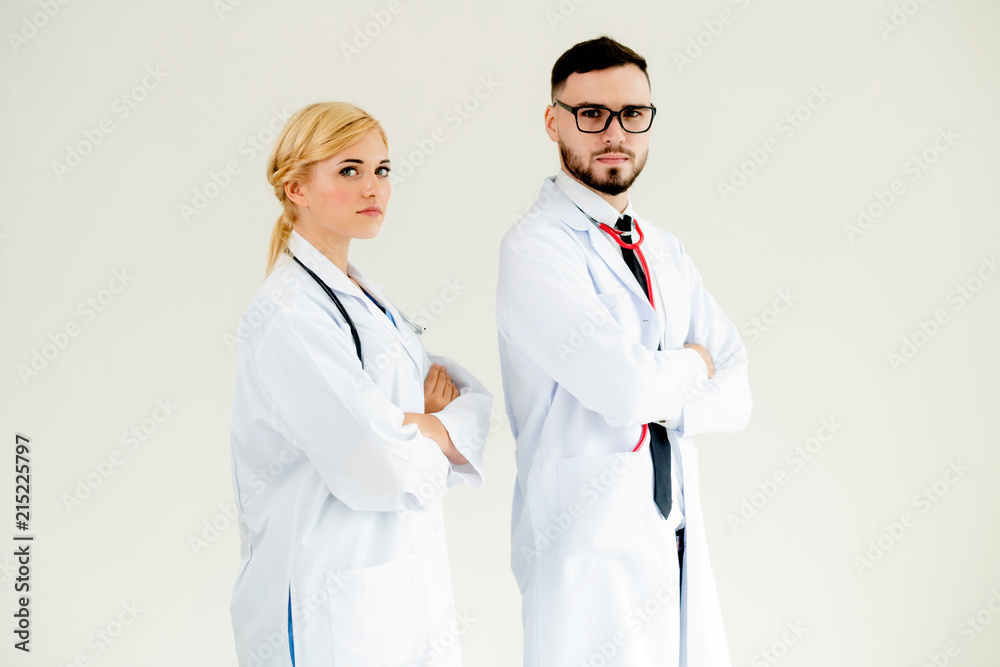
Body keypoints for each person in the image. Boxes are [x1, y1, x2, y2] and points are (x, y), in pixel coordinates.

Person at [495, 37, 752, 667]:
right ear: (553, 120)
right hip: (587, 544)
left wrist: (670, 396)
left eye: (632, 114)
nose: (614, 133)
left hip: (676, 532)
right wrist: (694, 365)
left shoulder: (664, 250)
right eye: (591, 114)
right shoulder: (536, 250)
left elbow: (739, 394)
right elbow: (624, 390)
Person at [229, 102, 491, 667]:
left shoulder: (365, 299)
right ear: (296, 187)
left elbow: (470, 401)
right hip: (327, 600)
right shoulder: (290, 314)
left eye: (382, 169)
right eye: (349, 170)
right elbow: (377, 464)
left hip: (395, 587)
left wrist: (419, 426)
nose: (373, 186)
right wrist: (429, 431)